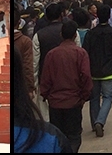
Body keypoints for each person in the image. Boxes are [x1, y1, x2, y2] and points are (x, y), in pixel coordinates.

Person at [40, 19, 92, 152]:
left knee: (58, 136)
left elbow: (45, 78)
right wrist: (84, 96)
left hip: (55, 103)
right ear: (75, 35)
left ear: (61, 35)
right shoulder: (80, 53)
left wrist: (45, 95)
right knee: (74, 136)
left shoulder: (52, 54)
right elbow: (86, 76)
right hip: (73, 102)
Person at [13, 51, 72, 153]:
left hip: (54, 99)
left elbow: (37, 66)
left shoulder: (50, 54)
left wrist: (43, 92)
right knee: (73, 133)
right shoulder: (51, 138)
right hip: (72, 99)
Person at [82, 4, 112, 138]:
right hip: (109, 70)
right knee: (107, 97)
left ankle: (95, 123)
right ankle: (100, 121)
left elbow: (85, 52)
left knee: (94, 98)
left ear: (97, 15)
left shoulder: (90, 34)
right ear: (109, 16)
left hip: (93, 70)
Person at [13, 8, 36, 100]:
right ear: (19, 23)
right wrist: (30, 87)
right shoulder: (25, 41)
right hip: (20, 85)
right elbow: (27, 66)